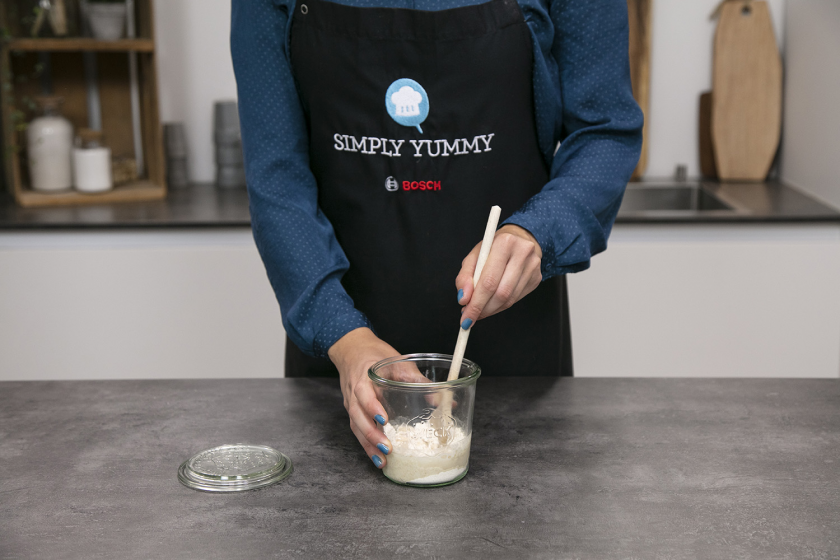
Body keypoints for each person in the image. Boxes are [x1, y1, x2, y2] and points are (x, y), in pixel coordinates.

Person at [231, 0, 642, 470]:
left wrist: (539, 231)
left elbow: (605, 132)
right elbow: (276, 177)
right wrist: (343, 338)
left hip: (516, 366)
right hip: (338, 367)